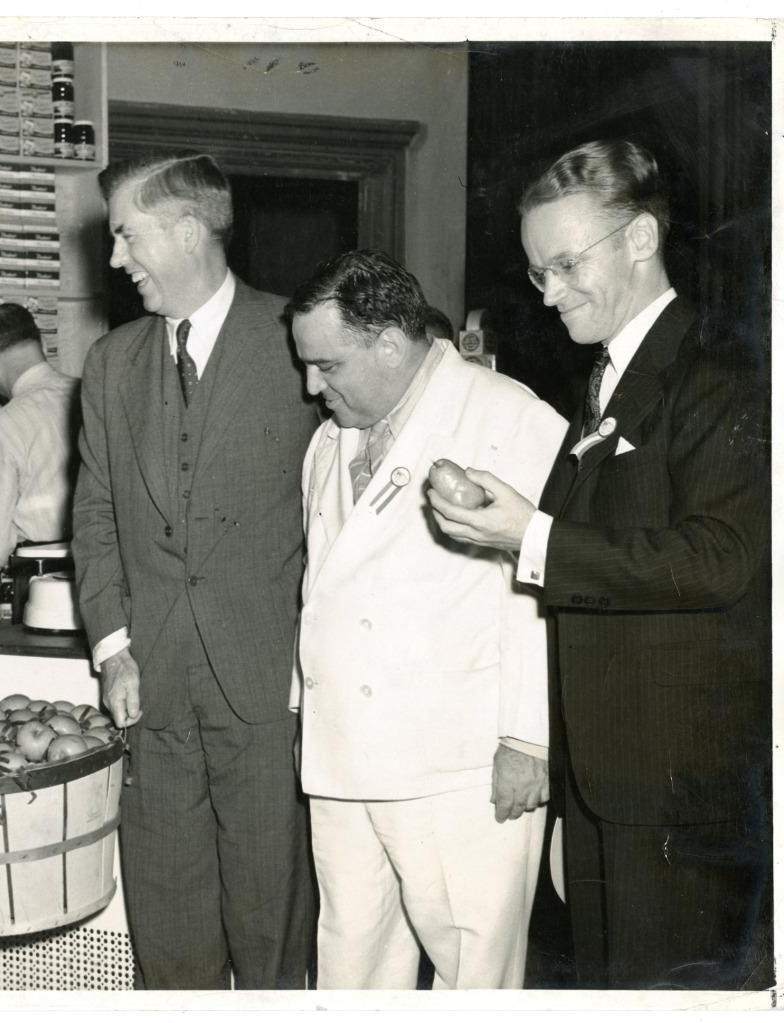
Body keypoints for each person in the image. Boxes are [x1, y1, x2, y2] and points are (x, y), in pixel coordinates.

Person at [426, 139, 772, 989]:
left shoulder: (723, 371)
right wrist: (505, 513)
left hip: (672, 791)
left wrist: (531, 537)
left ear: (641, 241)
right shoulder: (604, 378)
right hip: (604, 779)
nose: (548, 293)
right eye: (537, 273)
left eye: (565, 264)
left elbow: (719, 560)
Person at [287, 249, 567, 989]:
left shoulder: (509, 415)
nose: (311, 387)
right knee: (350, 958)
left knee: (473, 968)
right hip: (345, 751)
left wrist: (528, 736)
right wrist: (302, 705)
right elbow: (322, 588)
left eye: (326, 365)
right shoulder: (330, 438)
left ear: (387, 343)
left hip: (459, 761)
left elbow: (542, 589)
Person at [72, 152, 318, 989]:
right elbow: (95, 517)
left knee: (272, 925)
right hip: (151, 686)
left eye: (125, 237)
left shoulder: (299, 341)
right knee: (167, 926)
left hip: (267, 687)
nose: (114, 260)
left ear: (185, 232)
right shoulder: (109, 365)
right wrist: (111, 648)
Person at [0, 302, 79, 593]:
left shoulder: (6, 425)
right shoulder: (93, 394)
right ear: (43, 344)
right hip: (105, 566)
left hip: (42, 577)